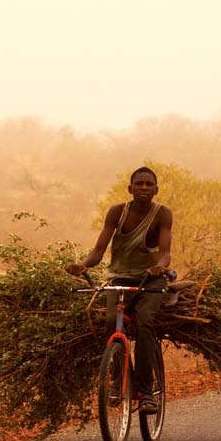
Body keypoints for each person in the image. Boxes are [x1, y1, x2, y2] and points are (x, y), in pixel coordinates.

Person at [66, 166, 173, 413]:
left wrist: (159, 267)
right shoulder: (117, 212)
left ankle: (146, 392)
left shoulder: (162, 214)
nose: (144, 188)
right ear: (130, 188)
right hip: (119, 279)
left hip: (150, 281)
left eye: (149, 184)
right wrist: (82, 265)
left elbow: (165, 253)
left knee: (145, 324)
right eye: (139, 184)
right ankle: (121, 381)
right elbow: (98, 251)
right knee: (109, 324)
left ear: (156, 190)